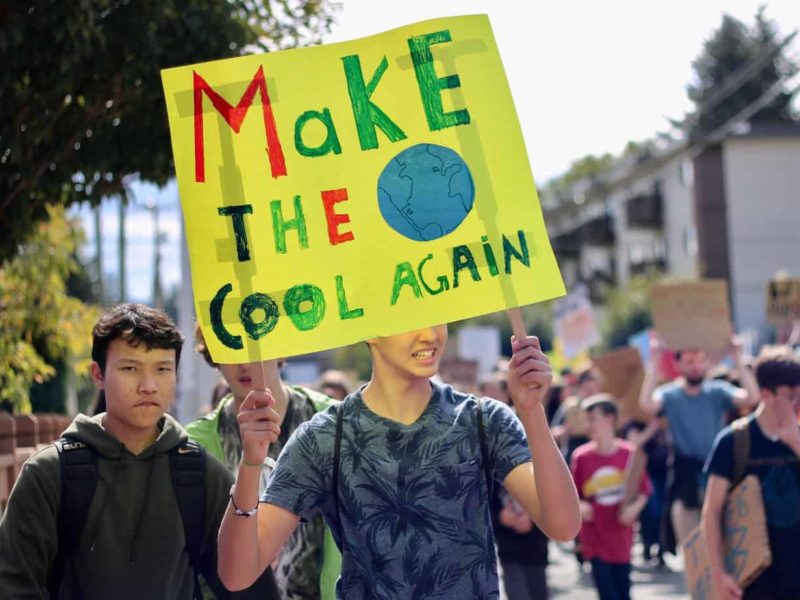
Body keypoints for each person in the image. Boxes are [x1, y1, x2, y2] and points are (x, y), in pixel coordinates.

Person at [218, 326, 581, 597]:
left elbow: (563, 525)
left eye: (436, 315)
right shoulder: (325, 437)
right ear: (368, 328)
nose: (430, 334)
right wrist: (251, 465)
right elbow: (238, 572)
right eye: (410, 318)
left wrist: (532, 411)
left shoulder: (483, 419)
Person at [0, 303, 278, 599]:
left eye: (162, 369)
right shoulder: (49, 473)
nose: (148, 386)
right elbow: (14, 587)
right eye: (130, 368)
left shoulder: (199, 474)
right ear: (98, 374)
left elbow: (249, 588)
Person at [187, 326, 341, 599]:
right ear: (214, 353)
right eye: (231, 346)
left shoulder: (333, 422)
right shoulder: (195, 444)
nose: (245, 363)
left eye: (255, 348)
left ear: (280, 345)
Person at [639, 333, 759, 546]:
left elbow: (751, 397)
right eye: (689, 361)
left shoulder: (717, 391)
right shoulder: (670, 395)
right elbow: (647, 405)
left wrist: (737, 357)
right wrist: (655, 360)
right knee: (693, 548)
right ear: (678, 364)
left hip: (719, 476)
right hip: (686, 481)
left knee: (724, 545)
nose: (695, 366)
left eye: (700, 360)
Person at [702, 347, 800, 600]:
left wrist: (796, 445)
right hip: (753, 579)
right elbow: (712, 511)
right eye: (790, 395)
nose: (796, 402)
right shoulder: (733, 441)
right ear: (766, 394)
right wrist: (718, 574)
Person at [571, 394, 651, 600]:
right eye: (585, 419)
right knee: (607, 594)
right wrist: (580, 506)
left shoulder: (630, 453)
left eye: (592, 419)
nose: (587, 425)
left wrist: (632, 511)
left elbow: (644, 491)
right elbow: (572, 495)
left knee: (624, 592)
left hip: (622, 537)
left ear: (609, 419)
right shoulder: (581, 457)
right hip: (595, 538)